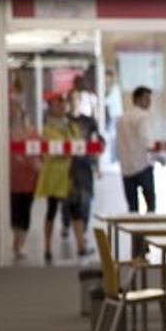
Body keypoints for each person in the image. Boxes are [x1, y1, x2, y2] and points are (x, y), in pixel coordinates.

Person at [36, 96, 81, 264]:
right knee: (52, 210)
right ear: (50, 108)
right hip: (55, 174)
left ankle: (81, 245)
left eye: (63, 104)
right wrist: (69, 147)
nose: (62, 107)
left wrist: (70, 147)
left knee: (75, 209)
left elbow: (77, 144)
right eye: (58, 104)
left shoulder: (70, 125)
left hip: (70, 173)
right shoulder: (48, 128)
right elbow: (61, 147)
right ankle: (47, 247)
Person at [117, 86, 156, 213]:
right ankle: (151, 230)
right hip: (143, 166)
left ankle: (136, 233)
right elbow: (147, 141)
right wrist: (158, 155)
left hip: (127, 168)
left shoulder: (122, 118)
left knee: (132, 208)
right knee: (150, 206)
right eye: (146, 98)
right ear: (137, 99)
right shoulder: (143, 116)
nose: (149, 102)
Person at [8, 106, 40, 261]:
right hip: (13, 181)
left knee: (25, 212)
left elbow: (39, 155)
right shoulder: (8, 135)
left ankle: (20, 244)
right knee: (14, 213)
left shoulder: (33, 135)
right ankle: (16, 240)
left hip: (28, 180)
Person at [66, 113, 100, 257]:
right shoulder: (68, 123)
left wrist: (97, 165)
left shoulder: (91, 121)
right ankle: (80, 241)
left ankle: (81, 240)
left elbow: (97, 142)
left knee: (84, 202)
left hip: (84, 168)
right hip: (70, 170)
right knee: (74, 205)